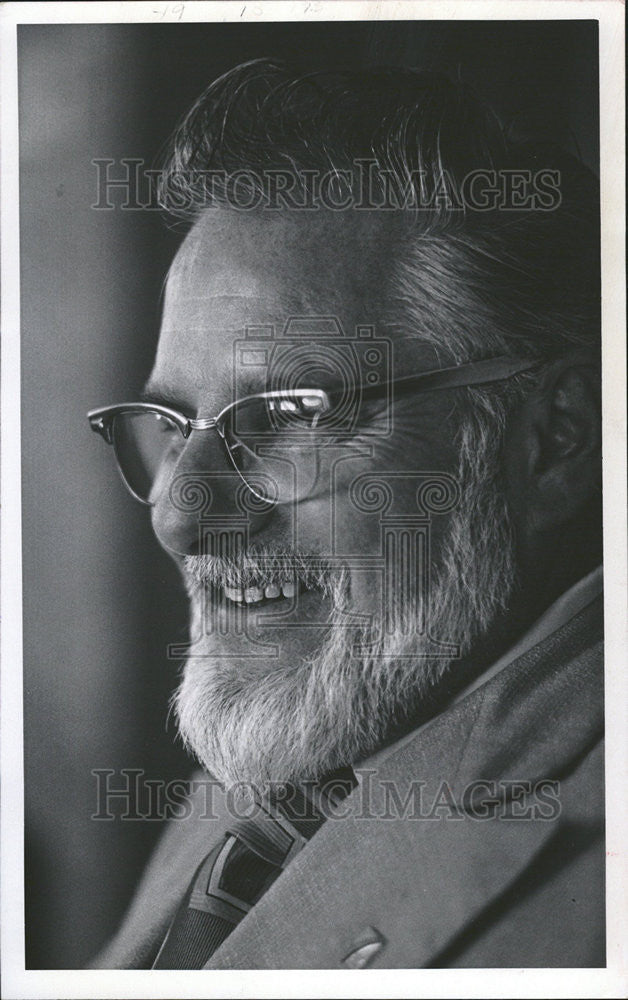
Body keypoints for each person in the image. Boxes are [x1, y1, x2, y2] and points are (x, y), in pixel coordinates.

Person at [88, 60, 603, 969]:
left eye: (288, 415)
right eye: (174, 426)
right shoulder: (296, 729)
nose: (181, 515)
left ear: (553, 437)